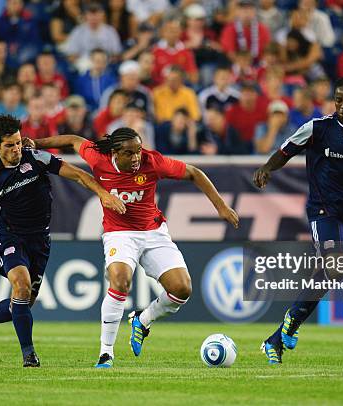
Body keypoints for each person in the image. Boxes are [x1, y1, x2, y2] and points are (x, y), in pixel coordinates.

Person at [25, 127, 239, 368]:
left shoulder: (153, 161)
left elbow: (195, 173)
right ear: (115, 153)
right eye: (130, 153)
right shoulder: (98, 157)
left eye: (138, 150)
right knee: (120, 279)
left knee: (182, 289)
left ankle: (143, 319)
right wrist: (37, 143)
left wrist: (221, 206)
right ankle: (106, 353)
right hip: (119, 233)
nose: (137, 157)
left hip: (153, 232)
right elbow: (74, 140)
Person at [253, 76, 343, 364]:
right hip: (323, 210)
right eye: (338, 100)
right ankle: (290, 322)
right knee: (335, 267)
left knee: (330, 274)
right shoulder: (318, 128)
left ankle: (279, 335)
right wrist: (267, 168)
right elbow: (285, 150)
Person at [0, 114, 125, 368]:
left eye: (19, 142)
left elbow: (77, 175)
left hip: (40, 238)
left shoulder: (37, 157)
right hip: (11, 236)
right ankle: (29, 355)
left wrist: (102, 193)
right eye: (10, 145)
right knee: (21, 285)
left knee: (21, 303)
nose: (17, 149)